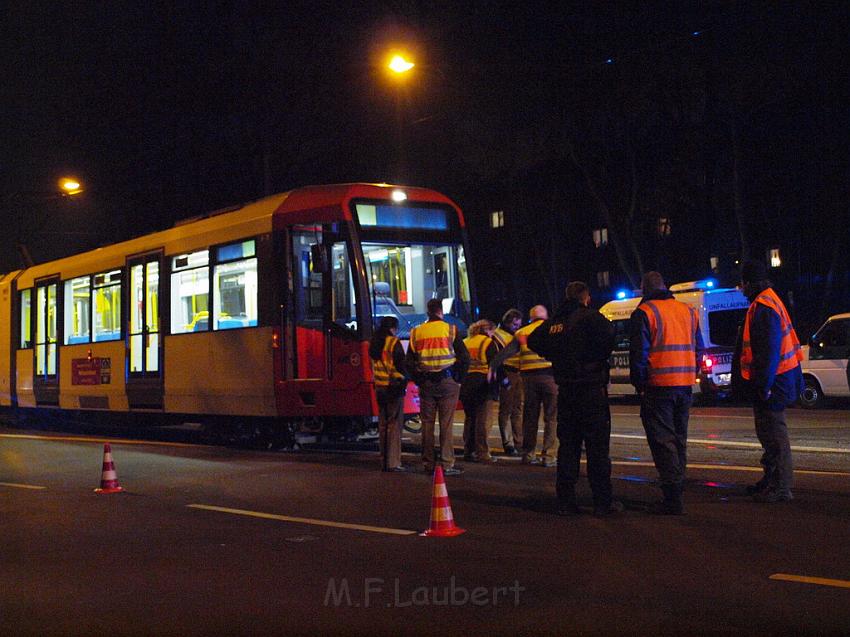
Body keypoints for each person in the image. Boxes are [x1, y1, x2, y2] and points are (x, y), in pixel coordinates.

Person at [526, 281, 622, 517]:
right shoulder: (591, 317)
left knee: (568, 447)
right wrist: (592, 357)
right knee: (597, 449)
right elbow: (611, 338)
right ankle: (602, 502)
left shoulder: (555, 323)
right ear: (585, 297)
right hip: (591, 389)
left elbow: (534, 340)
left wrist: (557, 356)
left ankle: (566, 501)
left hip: (567, 390)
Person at [629, 271, 704, 514]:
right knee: (679, 437)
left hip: (659, 385)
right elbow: (699, 349)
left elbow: (639, 354)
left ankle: (672, 496)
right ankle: (677, 484)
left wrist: (639, 384)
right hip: (684, 384)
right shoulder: (687, 311)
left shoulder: (645, 313)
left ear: (645, 290)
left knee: (663, 440)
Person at [736, 260, 804, 502]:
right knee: (769, 433)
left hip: (775, 382)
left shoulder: (763, 306)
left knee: (774, 435)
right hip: (781, 377)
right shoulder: (768, 300)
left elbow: (769, 352)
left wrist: (763, 386)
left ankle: (781, 487)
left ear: (749, 284)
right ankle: (772, 481)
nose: (741, 289)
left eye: (742, 285)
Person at [407, 298, 470, 476]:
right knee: (446, 424)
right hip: (447, 381)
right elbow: (464, 357)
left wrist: (419, 379)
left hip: (426, 383)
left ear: (428, 311)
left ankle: (428, 463)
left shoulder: (416, 332)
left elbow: (409, 362)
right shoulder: (450, 329)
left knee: (427, 425)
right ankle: (447, 463)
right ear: (441, 311)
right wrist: (459, 379)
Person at [491, 305, 558, 467]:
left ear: (531, 318)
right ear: (546, 317)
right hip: (550, 377)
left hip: (529, 380)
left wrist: (493, 366)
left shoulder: (522, 332)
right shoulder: (553, 328)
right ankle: (548, 456)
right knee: (551, 418)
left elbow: (505, 353)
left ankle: (528, 454)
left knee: (530, 417)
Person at [369, 316, 408, 472]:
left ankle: (384, 460)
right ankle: (393, 462)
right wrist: (405, 380)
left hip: (379, 387)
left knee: (383, 425)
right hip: (393, 387)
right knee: (394, 425)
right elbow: (401, 366)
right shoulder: (393, 342)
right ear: (393, 328)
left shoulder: (374, 343)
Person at [460, 319, 499, 463]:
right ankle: (482, 453)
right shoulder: (488, 343)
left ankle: (468, 450)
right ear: (487, 330)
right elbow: (494, 365)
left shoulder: (466, 341)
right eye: (492, 331)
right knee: (483, 419)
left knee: (470, 418)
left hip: (466, 383)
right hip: (482, 383)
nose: (493, 334)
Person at [491, 309, 524, 456]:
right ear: (507, 322)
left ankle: (519, 442)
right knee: (506, 409)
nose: (517, 327)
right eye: (514, 324)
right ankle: (508, 443)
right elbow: (497, 357)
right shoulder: (498, 335)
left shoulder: (514, 335)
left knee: (517, 409)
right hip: (507, 372)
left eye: (519, 324)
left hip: (518, 372)